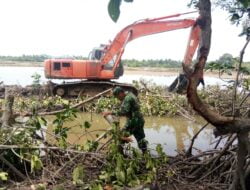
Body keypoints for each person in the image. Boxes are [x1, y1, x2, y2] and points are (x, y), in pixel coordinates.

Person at [103, 86, 147, 153]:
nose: (118, 99)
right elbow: (128, 108)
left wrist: (110, 112)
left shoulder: (127, 99)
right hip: (139, 120)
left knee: (121, 136)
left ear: (120, 93)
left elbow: (124, 111)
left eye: (117, 97)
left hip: (133, 121)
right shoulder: (130, 94)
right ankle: (145, 154)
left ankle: (120, 155)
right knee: (140, 138)